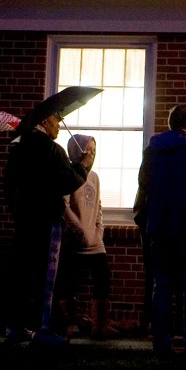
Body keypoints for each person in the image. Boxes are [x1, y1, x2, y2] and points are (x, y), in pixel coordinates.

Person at [2, 98, 92, 345]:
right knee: (47, 274)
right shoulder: (53, 150)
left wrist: (17, 209)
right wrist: (82, 167)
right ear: (44, 121)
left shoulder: (18, 149)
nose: (60, 125)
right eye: (56, 119)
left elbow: (7, 185)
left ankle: (15, 326)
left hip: (24, 219)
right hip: (47, 219)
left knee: (21, 272)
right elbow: (65, 182)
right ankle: (45, 327)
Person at [134, 104, 186, 359]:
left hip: (159, 227)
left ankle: (161, 341)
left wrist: (146, 218)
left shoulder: (153, 151)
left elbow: (143, 185)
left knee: (162, 286)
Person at [57, 134, 118, 339]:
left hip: (95, 242)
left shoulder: (94, 178)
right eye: (87, 149)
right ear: (77, 151)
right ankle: (70, 321)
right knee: (69, 282)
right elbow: (64, 206)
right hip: (73, 241)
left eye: (94, 149)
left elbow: (98, 207)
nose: (91, 153)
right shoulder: (68, 175)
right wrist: (79, 229)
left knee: (103, 279)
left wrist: (99, 230)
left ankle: (100, 325)